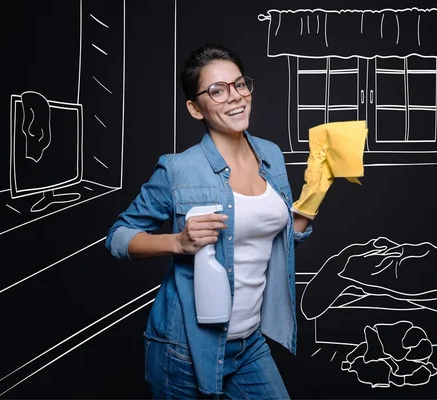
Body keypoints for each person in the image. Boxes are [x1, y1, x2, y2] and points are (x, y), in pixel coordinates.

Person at [105, 42, 312, 399]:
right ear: (194, 108)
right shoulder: (178, 169)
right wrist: (178, 242)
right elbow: (118, 237)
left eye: (239, 84)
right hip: (183, 346)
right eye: (217, 91)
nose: (234, 97)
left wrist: (313, 200)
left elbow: (275, 239)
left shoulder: (272, 155)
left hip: (249, 343)